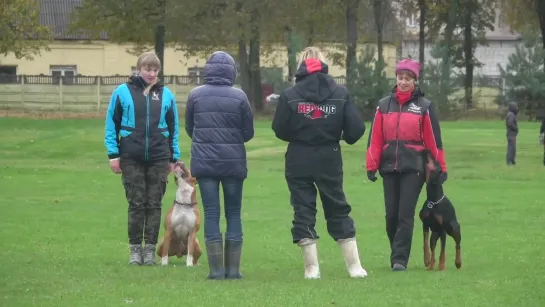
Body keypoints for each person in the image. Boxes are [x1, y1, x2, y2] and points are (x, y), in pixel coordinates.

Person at [272, 46, 368, 279]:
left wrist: (301, 134)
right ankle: (355, 267)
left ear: (301, 65)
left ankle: (311, 268)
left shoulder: (290, 95)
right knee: (337, 206)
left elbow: (279, 129)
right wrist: (335, 134)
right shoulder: (340, 92)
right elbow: (356, 130)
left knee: (303, 209)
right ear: (323, 64)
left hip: (298, 158)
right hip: (329, 157)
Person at [366, 58, 447, 271]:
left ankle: (399, 260)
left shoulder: (424, 106)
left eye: (408, 78)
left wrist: (441, 167)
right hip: (389, 167)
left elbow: (434, 141)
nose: (403, 82)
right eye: (400, 77)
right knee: (391, 215)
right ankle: (397, 250)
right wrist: (371, 165)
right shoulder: (383, 105)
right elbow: (375, 138)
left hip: (414, 167)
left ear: (415, 81)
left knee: (405, 213)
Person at [104, 51, 180, 266]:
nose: (152, 73)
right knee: (136, 204)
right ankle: (135, 250)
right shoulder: (122, 92)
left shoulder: (167, 95)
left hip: (159, 157)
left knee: (154, 204)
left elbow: (174, 128)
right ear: (139, 69)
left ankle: (150, 250)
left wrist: (174, 157)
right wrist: (113, 155)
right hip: (131, 157)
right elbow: (112, 124)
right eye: (148, 69)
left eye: (155, 70)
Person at [185, 51, 254, 280]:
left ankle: (215, 271)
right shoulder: (240, 96)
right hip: (233, 162)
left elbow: (189, 128)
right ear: (231, 72)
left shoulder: (195, 95)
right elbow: (248, 132)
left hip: (204, 163)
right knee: (233, 213)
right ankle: (233, 270)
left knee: (212, 214)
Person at [505, 101, 519, 165]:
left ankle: (512, 161)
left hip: (511, 134)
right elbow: (510, 123)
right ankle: (509, 162)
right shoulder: (511, 114)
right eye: (516, 107)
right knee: (511, 148)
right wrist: (516, 128)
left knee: (513, 148)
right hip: (511, 134)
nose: (517, 108)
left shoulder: (510, 114)